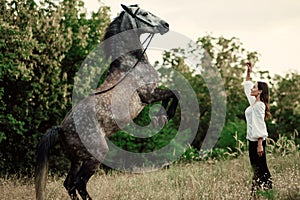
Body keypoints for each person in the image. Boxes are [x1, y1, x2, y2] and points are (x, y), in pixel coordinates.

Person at [244, 62, 272, 195]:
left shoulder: (260, 105)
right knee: (256, 168)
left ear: (260, 91)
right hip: (252, 141)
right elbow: (247, 86)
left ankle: (263, 191)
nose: (252, 88)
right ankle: (258, 192)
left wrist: (260, 143)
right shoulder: (253, 103)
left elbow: (260, 124)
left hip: (258, 142)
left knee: (261, 168)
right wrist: (249, 72)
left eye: (254, 87)